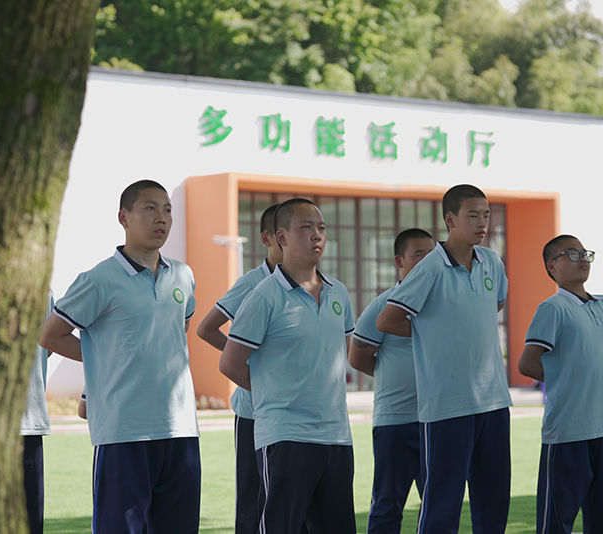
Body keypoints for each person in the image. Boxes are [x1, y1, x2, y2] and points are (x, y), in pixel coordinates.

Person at [39, 180, 200, 534]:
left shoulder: (183, 276)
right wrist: (104, 357)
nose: (161, 217)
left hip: (181, 429)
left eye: (167, 209)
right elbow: (50, 335)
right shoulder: (99, 279)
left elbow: (179, 329)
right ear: (123, 218)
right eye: (150, 208)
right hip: (123, 431)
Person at [376, 184, 512, 534]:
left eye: (486, 215)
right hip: (447, 406)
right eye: (473, 215)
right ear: (450, 219)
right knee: (442, 505)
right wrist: (432, 334)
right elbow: (387, 321)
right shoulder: (431, 267)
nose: (482, 223)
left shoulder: (492, 262)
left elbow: (493, 305)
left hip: (494, 402)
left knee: (494, 502)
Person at [219, 198, 356, 534]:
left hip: (336, 436)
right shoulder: (264, 295)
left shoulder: (339, 293)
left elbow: (343, 354)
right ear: (281, 237)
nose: (317, 235)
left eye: (321, 228)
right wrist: (274, 389)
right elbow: (230, 364)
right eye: (306, 227)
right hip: (286, 436)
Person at [518, 235, 603, 534]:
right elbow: (527, 364)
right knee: (556, 522)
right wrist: (569, 379)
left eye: (584, 253)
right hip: (568, 431)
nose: (582, 258)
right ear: (551, 266)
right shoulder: (553, 308)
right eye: (571, 253)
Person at [196, 203, 282, 534]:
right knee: (253, 501)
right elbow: (206, 329)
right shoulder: (252, 283)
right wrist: (245, 360)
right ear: (267, 239)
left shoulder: (314, 284)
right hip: (254, 413)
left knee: (292, 503)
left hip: (298, 413)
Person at [349, 228, 433, 534]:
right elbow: (358, 358)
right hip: (395, 422)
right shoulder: (383, 305)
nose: (427, 262)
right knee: (387, 505)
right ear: (400, 261)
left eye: (432, 255)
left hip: (436, 420)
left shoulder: (441, 306)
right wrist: (391, 375)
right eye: (419, 255)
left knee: (438, 505)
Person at [21, 289, 55, 534]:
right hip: (27, 420)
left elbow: (49, 341)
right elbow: (49, 345)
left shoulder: (42, 290)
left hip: (28, 421)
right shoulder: (41, 289)